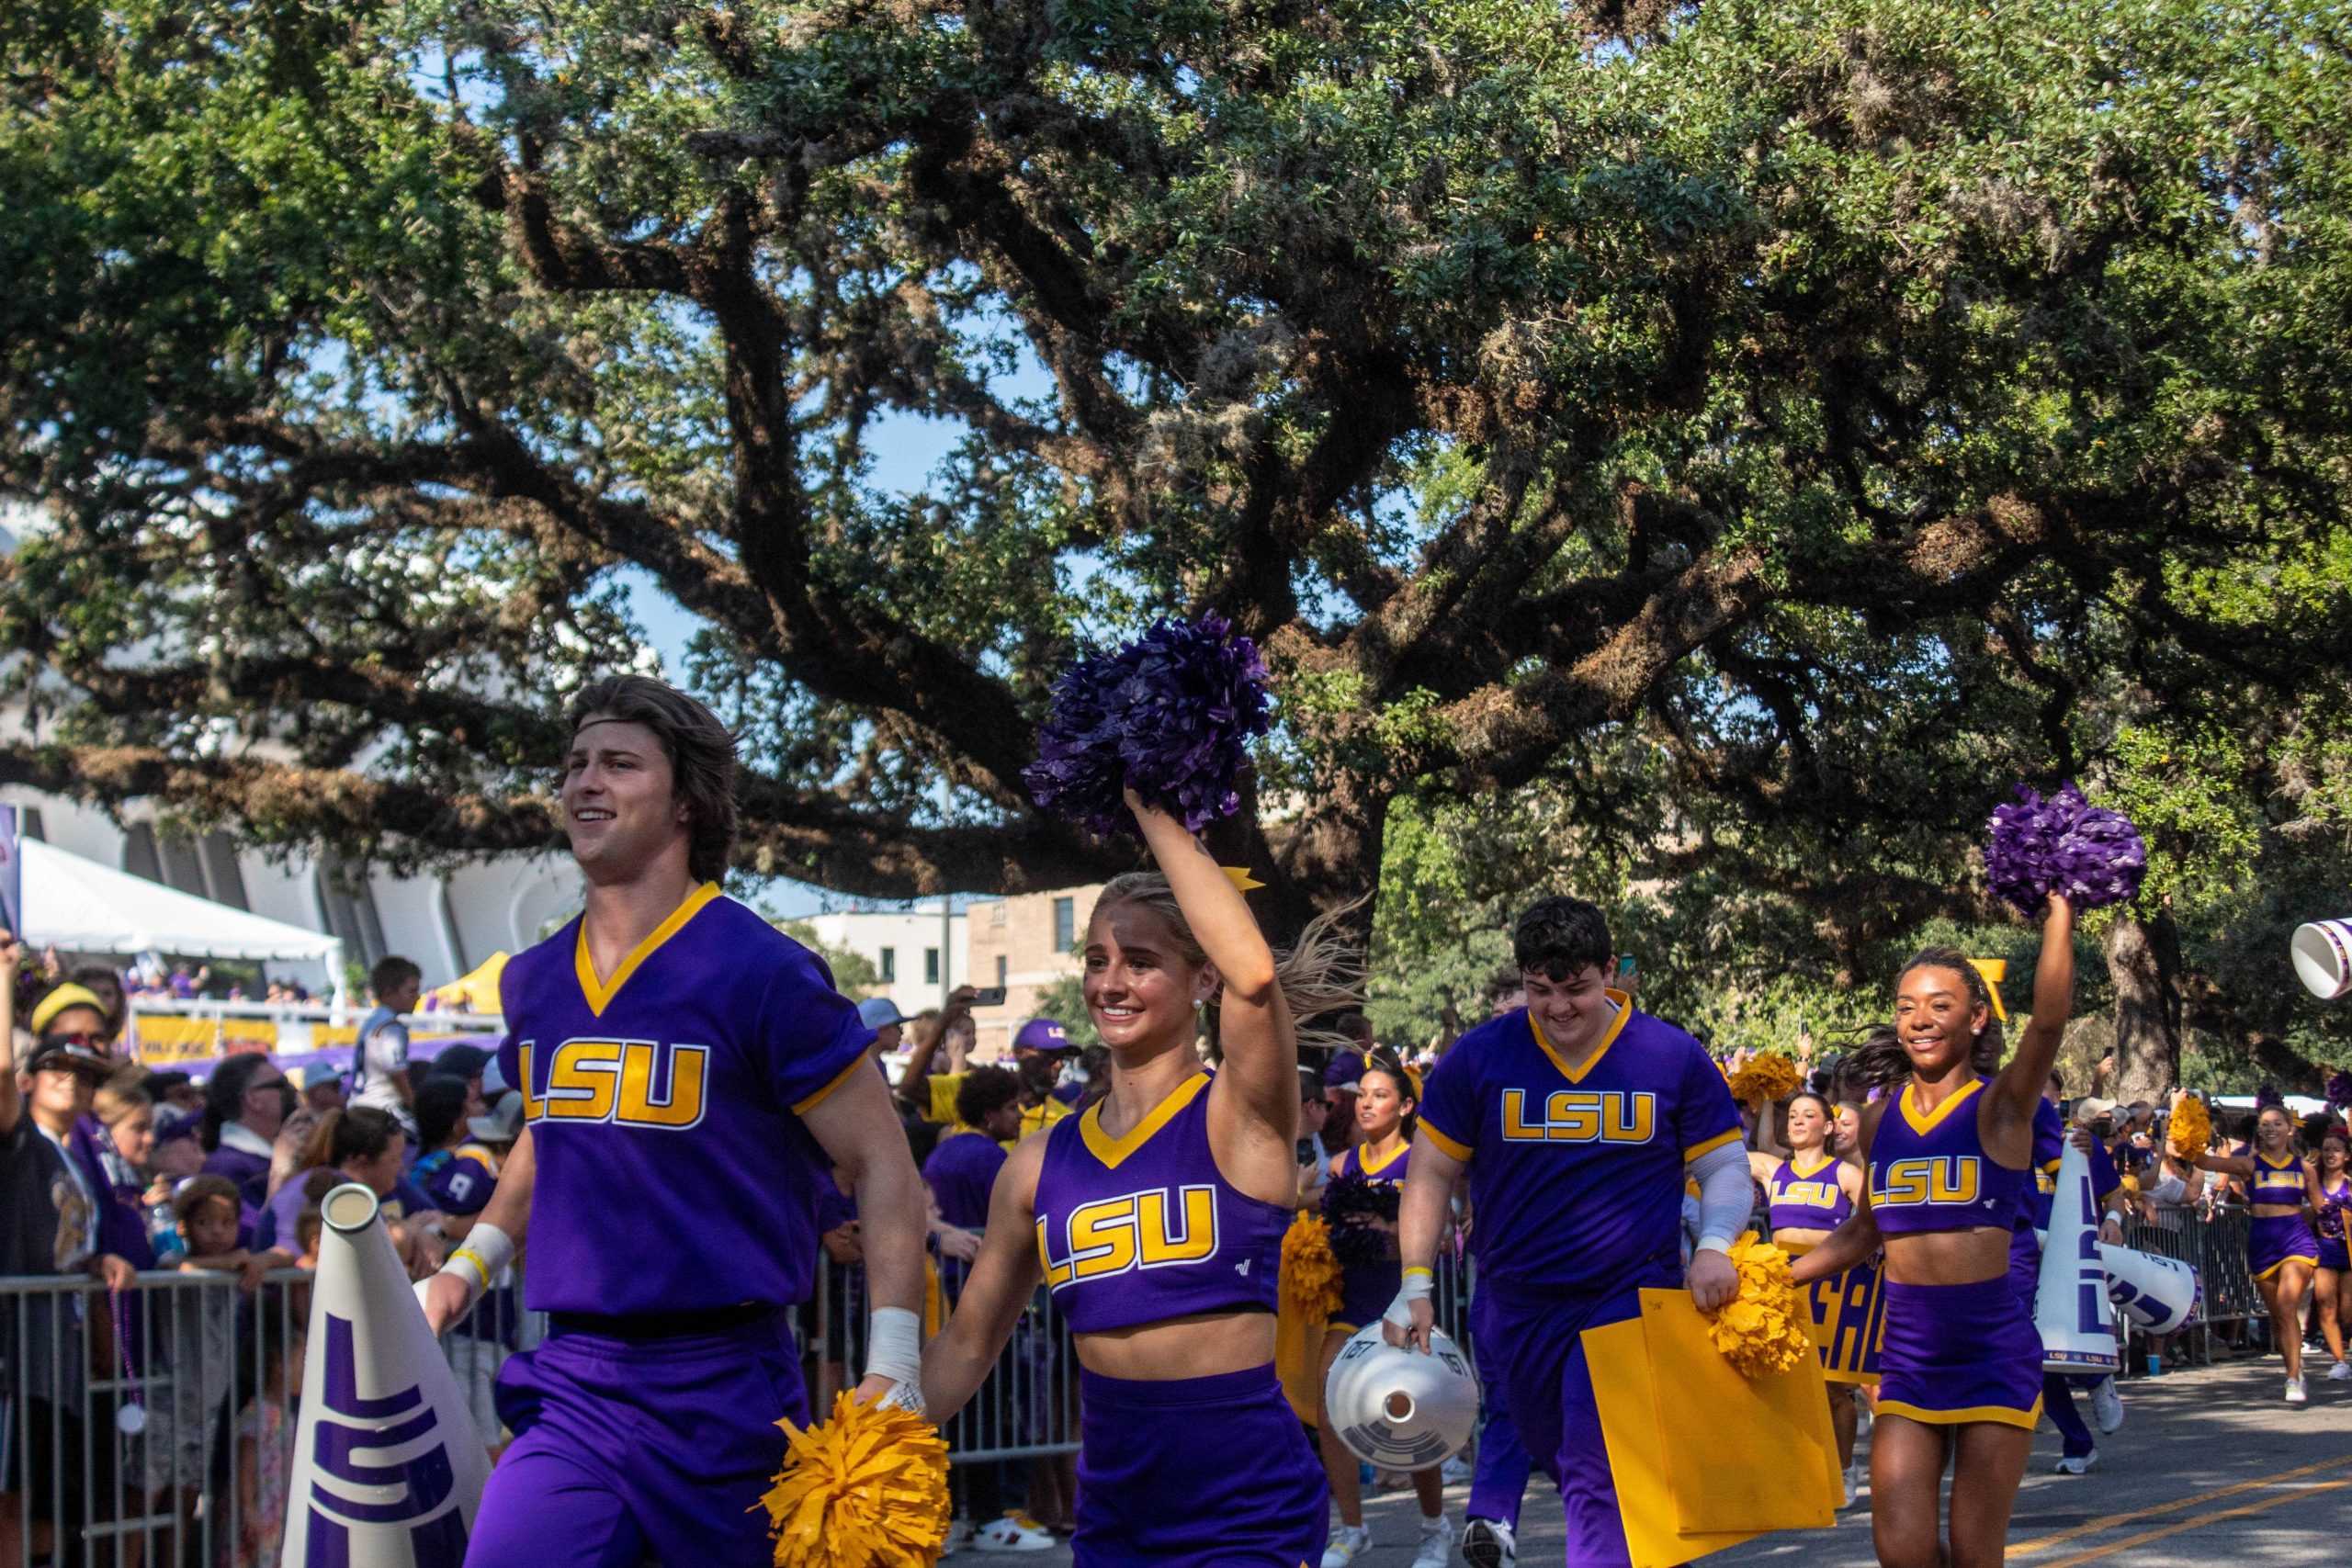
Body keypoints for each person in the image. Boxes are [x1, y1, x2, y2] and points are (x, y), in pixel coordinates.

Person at [419, 673, 928, 1567]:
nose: (585, 782)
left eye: (618, 763)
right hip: (575, 1384)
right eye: (575, 764)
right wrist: (467, 1266)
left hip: (728, 1388)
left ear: (687, 799)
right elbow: (555, 1131)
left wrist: (894, 1361)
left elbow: (883, 1166)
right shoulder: (531, 979)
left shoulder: (765, 970)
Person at [922, 788, 1360, 1565]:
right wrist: (866, 1439)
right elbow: (967, 1340)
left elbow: (1256, 978)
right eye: (1097, 960)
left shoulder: (1236, 1115)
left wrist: (1148, 802)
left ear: (1201, 980)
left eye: (1142, 961)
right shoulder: (1036, 1162)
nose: (1110, 983)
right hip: (1116, 1507)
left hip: (1246, 1504)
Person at [1385, 896, 1748, 1568]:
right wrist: (1412, 1281)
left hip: (1628, 1295)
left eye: (1576, 988)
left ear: (1610, 969)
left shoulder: (1670, 1054)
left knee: (1594, 1460)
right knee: (1562, 1454)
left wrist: (1714, 1245)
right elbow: (1430, 1172)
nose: (1558, 1007)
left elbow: (1724, 1162)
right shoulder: (1479, 1056)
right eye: (1540, 989)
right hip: (1513, 1301)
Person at [1792, 897, 2076, 1568]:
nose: (1919, 1020)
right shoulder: (1879, 1115)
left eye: (1939, 1004)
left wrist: (2061, 908)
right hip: (1910, 1359)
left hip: (1992, 1353)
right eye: (1906, 1005)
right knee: (1903, 1551)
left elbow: (2050, 1021)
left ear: (1976, 1017)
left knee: (1977, 1554)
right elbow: (1865, 1231)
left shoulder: (2002, 1105)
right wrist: (1779, 1275)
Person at [0, 937, 132, 1568]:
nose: (74, 1081)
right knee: (15, 1498)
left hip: (66, 1345)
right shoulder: (20, 1141)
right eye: (59, 1069)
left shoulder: (74, 1154)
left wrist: (96, 1263)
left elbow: (69, 1244)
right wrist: (2, 980)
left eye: (84, 1073)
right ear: (29, 1079)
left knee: (54, 1502)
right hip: (20, 1347)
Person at [1317, 1049, 1453, 1568]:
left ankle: (1434, 1527)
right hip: (1351, 1300)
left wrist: (1389, 1232)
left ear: (1406, 1107)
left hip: (1400, 1301)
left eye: (1380, 1095)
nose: (1366, 1104)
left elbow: (1440, 1234)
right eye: (1362, 1096)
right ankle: (1352, 1528)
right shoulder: (1339, 1165)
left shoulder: (1421, 1158)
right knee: (1331, 1401)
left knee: (1411, 1415)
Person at [1751, 1089, 1874, 1497]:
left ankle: (1842, 1468)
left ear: (1827, 1127)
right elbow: (1715, 1157)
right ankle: (1797, 1467)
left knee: (1835, 1387)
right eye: (1792, 1116)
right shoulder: (1772, 1169)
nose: (1798, 1121)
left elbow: (1877, 1222)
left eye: (1808, 1115)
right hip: (1783, 1279)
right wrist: (1764, 1094)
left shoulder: (1845, 1175)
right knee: (1785, 1382)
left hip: (1833, 1284)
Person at [2193, 1102, 2323, 1402]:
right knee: (2278, 1315)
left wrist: (2301, 1222)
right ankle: (2293, 1367)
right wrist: (2189, 1128)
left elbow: (2318, 1206)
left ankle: (2292, 1378)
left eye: (2277, 1123)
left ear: (2289, 1129)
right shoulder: (2249, 1165)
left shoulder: (2304, 1168)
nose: (2270, 1128)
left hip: (2296, 1241)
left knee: (2288, 1305)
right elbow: (2204, 1162)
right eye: (2265, 1124)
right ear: (2259, 1130)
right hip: (2262, 1241)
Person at [198, 1053, 298, 1214]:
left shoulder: (262, 1157)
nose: (291, 1091)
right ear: (252, 1098)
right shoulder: (226, 1167)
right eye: (280, 1085)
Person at [352, 955, 424, 1134]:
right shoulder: (391, 1028)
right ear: (389, 992)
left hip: (360, 1104)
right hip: (383, 1110)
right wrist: (417, 1109)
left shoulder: (373, 1021)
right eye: (411, 991)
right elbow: (397, 1074)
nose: (418, 997)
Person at [2312, 1128, 2351, 1382]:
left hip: (2348, 1252)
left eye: (2336, 1150)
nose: (2330, 1154)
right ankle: (2339, 1360)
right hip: (2323, 1251)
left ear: (2347, 1155)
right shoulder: (2312, 1183)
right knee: (2326, 1305)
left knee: (2348, 1310)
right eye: (2326, 1149)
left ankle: (2345, 1342)